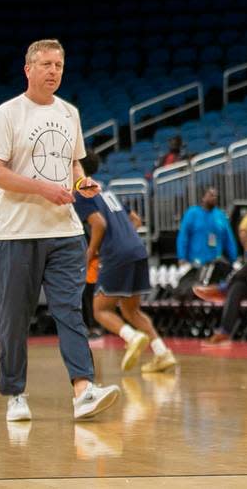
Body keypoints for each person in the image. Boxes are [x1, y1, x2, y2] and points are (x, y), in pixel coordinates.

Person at [0, 39, 121, 421]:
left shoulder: (69, 113)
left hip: (64, 232)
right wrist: (42, 188)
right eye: (45, 64)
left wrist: (82, 183)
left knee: (70, 311)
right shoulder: (7, 114)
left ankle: (83, 390)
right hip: (17, 233)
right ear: (28, 69)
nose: (53, 71)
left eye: (58, 65)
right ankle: (15, 395)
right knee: (13, 317)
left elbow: (73, 166)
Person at [77, 150, 177, 374]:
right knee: (132, 311)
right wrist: (125, 239)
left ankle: (132, 337)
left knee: (100, 310)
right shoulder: (105, 189)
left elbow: (99, 224)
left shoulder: (81, 190)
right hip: (137, 249)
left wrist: (91, 253)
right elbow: (135, 219)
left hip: (116, 254)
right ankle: (162, 353)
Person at [176, 187, 238, 267]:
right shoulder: (192, 213)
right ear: (203, 197)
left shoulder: (220, 215)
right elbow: (183, 236)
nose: (214, 198)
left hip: (215, 263)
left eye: (216, 196)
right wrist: (182, 257)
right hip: (194, 263)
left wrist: (233, 258)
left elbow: (228, 239)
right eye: (211, 195)